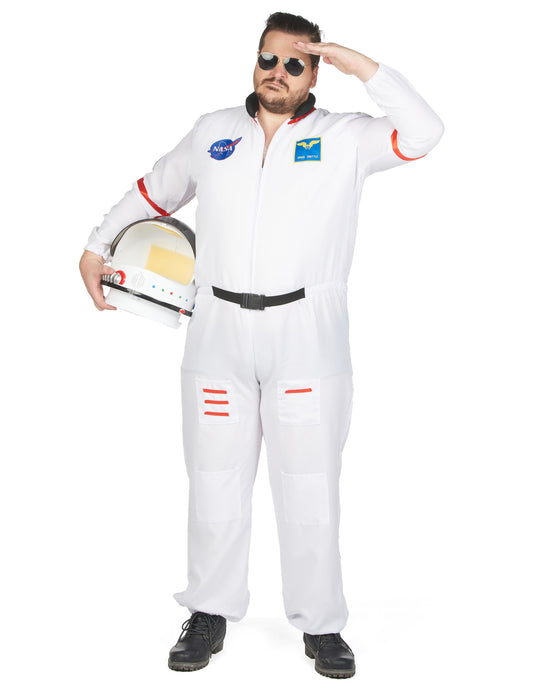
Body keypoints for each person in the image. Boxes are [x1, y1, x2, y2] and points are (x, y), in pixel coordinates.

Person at [79, 11, 444, 679]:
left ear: (315, 73)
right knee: (213, 480)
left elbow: (425, 132)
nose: (277, 73)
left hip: (306, 335)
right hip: (217, 330)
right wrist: (97, 244)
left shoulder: (346, 138)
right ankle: (208, 611)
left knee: (309, 485)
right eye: (267, 59)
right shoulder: (213, 132)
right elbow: (155, 189)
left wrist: (358, 64)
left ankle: (321, 622)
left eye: (294, 63)